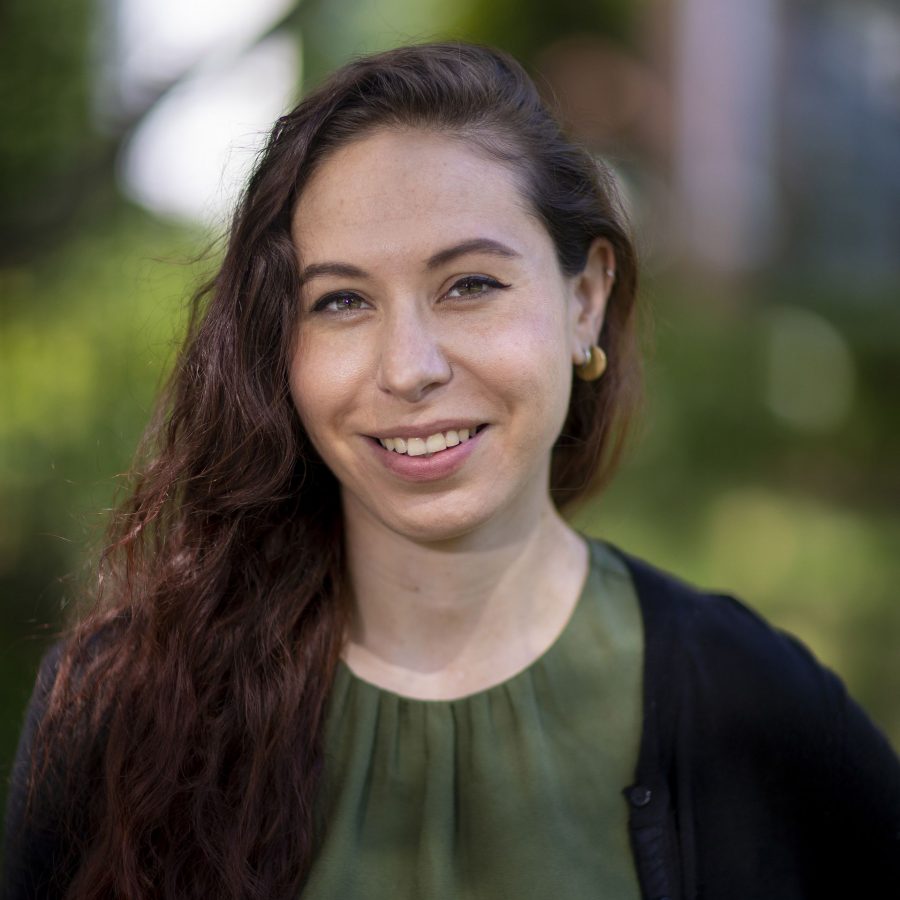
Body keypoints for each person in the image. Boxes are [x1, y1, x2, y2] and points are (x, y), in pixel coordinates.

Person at [2, 41, 898, 900]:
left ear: (584, 299)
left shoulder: (755, 710)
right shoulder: (123, 715)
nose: (408, 367)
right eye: (341, 301)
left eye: (469, 284)